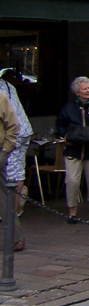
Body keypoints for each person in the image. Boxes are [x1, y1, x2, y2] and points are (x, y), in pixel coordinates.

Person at [56, 77, 89, 224]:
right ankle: (72, 212)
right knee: (72, 181)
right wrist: (65, 135)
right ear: (77, 92)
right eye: (84, 88)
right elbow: (59, 124)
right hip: (73, 150)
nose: (88, 91)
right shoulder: (68, 108)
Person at [0, 71, 31, 217]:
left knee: (10, 173)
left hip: (13, 133)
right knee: (18, 171)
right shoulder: (9, 85)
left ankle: (10, 213)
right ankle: (16, 209)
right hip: (24, 129)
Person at [0, 89, 25, 251]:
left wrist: (4, 152)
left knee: (3, 198)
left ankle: (16, 237)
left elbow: (14, 126)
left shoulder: (1, 99)